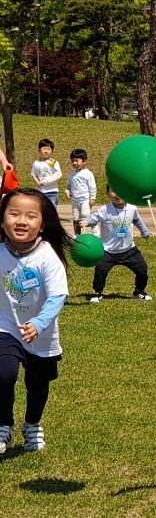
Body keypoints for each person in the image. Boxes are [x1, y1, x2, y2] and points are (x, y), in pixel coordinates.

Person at [0, 188, 71, 453]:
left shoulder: (46, 256)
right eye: (14, 214)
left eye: (31, 216)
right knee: (3, 373)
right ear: (2, 219)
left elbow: (57, 296)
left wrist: (39, 324)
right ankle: (3, 425)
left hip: (41, 333)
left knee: (38, 384)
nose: (21, 221)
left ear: (42, 226)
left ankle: (32, 424)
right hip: (5, 326)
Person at [81, 186, 152, 303]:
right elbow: (94, 218)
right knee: (100, 271)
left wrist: (144, 232)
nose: (117, 194)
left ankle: (139, 291)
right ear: (107, 193)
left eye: (120, 190)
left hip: (129, 249)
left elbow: (137, 220)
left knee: (142, 269)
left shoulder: (132, 208)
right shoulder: (105, 209)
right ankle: (98, 292)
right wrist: (86, 222)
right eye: (113, 191)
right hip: (108, 250)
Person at [65, 148, 97, 237]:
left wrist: (92, 198)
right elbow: (68, 185)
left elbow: (92, 186)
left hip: (85, 200)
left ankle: (95, 229)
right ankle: (77, 235)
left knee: (85, 215)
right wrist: (67, 191)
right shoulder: (72, 174)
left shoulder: (88, 174)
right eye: (72, 161)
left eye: (76, 161)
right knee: (76, 218)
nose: (74, 163)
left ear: (84, 162)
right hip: (75, 200)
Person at [31, 139, 61, 207]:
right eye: (44, 149)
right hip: (40, 192)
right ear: (39, 151)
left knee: (52, 209)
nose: (46, 151)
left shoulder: (53, 162)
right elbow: (34, 174)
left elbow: (58, 174)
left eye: (48, 149)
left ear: (52, 151)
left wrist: (45, 182)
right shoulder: (36, 163)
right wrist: (38, 182)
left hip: (52, 191)